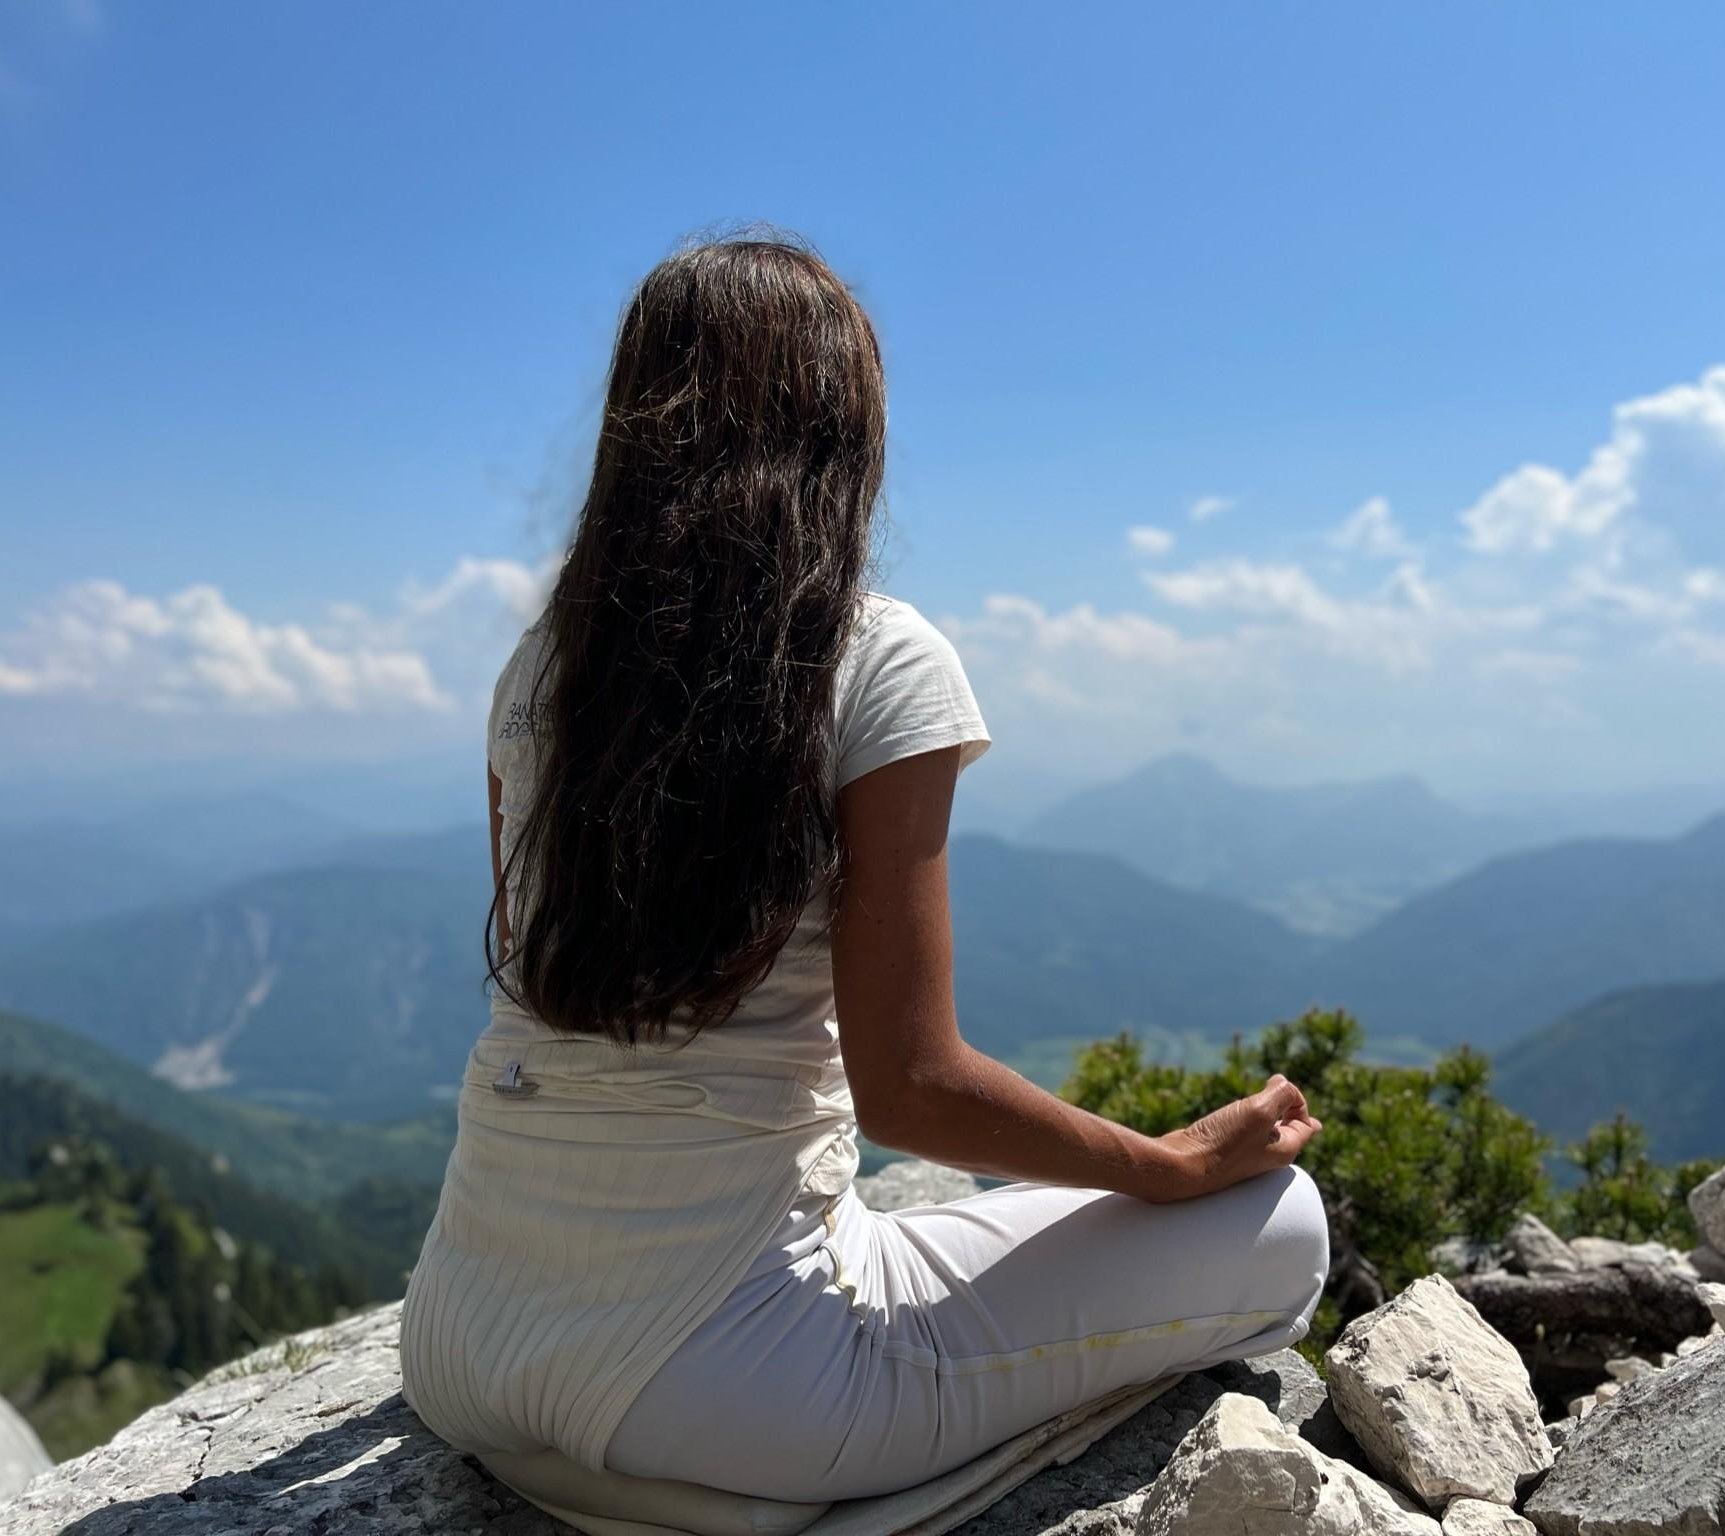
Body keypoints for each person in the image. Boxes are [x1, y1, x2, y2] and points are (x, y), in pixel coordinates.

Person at [400, 235, 1330, 1505]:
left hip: (454, 1344)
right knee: (1282, 1229)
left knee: (898, 1238)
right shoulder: (873, 659)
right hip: (726, 1381)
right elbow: (912, 1090)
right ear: (840, 430)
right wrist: (1169, 1166)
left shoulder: (541, 668)